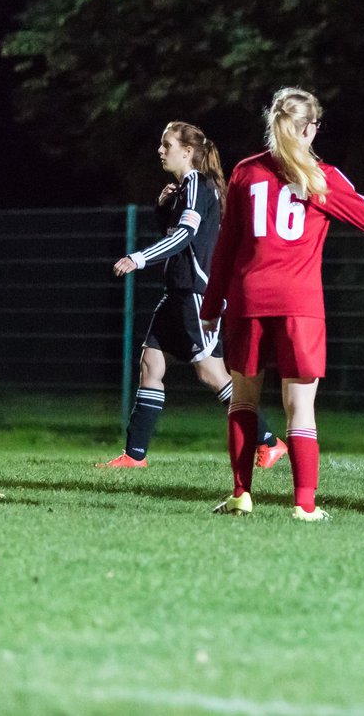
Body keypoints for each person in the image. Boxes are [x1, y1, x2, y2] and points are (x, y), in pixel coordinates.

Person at [199, 87, 364, 518]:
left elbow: (225, 246)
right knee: (301, 408)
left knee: (243, 400)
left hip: (248, 299)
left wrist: (210, 305)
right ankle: (304, 505)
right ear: (311, 127)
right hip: (300, 304)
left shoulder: (246, 172)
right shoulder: (321, 176)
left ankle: (242, 494)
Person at [97, 121, 284, 469]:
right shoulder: (185, 188)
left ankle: (268, 440)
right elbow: (181, 237)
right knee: (151, 365)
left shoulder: (197, 182)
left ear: (187, 151)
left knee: (212, 374)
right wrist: (160, 209)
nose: (160, 150)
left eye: (166, 144)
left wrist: (138, 258)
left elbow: (185, 236)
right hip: (177, 293)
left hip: (196, 294)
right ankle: (134, 456)